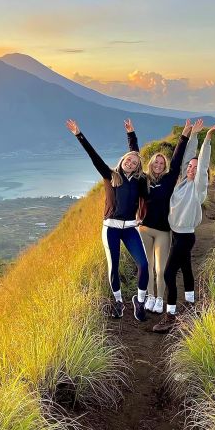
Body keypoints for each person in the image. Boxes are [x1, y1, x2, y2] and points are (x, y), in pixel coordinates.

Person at [65, 119, 149, 321]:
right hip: (110, 228)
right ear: (122, 161)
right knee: (114, 267)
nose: (130, 163)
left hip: (130, 229)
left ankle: (139, 301)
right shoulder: (110, 175)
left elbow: (135, 154)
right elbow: (93, 156)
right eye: (128, 160)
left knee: (144, 265)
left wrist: (132, 136)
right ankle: (119, 302)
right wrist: (79, 134)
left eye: (134, 162)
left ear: (138, 167)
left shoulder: (138, 180)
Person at [124, 118, 204, 314]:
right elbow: (135, 158)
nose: (159, 165)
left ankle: (160, 299)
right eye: (156, 162)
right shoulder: (143, 180)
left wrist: (185, 134)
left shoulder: (169, 180)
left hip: (163, 232)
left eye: (162, 162)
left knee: (161, 269)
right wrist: (131, 135)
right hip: (143, 228)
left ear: (164, 165)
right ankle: (150, 296)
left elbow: (177, 159)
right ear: (151, 164)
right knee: (147, 266)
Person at [153, 121, 215, 333]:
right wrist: (193, 135)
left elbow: (201, 165)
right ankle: (191, 303)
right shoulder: (181, 182)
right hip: (176, 235)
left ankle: (171, 314)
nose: (192, 169)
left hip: (185, 237)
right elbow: (186, 159)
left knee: (168, 274)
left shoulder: (198, 189)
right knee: (185, 268)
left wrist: (207, 139)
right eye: (189, 167)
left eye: (195, 168)